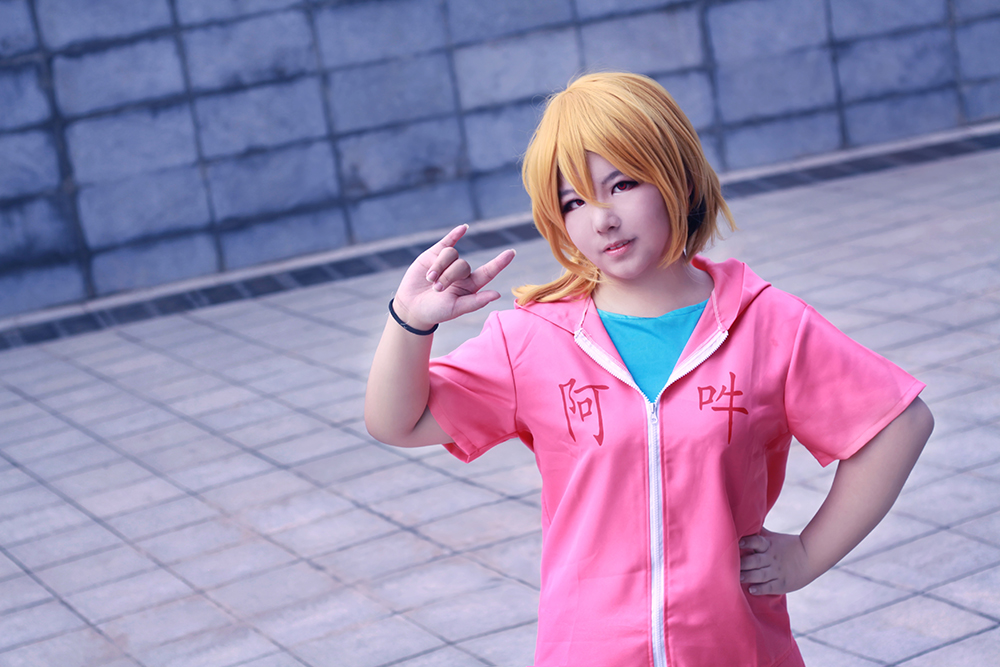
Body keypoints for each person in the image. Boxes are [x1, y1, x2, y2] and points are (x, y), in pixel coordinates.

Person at [365, 72, 933, 667]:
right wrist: (410, 322)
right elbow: (397, 422)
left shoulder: (765, 324)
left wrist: (808, 555)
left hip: (735, 650)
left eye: (623, 184)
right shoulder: (531, 339)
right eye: (573, 202)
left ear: (676, 177)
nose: (601, 219)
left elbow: (898, 423)